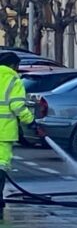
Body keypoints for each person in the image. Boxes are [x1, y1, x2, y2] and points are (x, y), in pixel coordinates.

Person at [0, 52, 35, 211]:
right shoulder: (13, 80)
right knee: (1, 165)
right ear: (14, 65)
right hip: (3, 131)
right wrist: (30, 121)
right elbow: (17, 106)